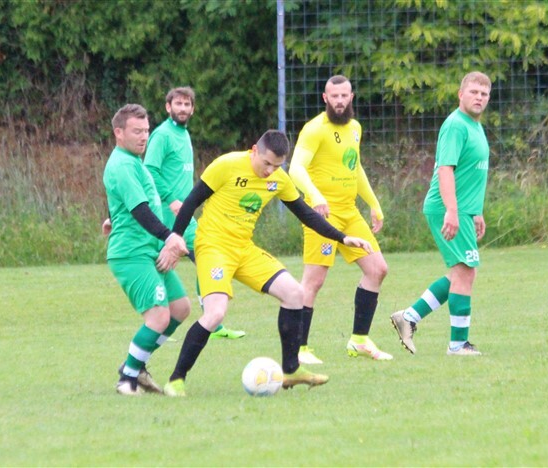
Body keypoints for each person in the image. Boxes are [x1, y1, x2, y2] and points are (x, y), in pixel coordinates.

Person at [161, 130, 374, 397]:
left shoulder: (278, 178)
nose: (270, 171)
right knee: (215, 313)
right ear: (254, 150)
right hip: (213, 247)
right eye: (267, 163)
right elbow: (192, 201)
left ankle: (291, 370)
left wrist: (343, 237)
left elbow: (306, 214)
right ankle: (176, 380)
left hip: (244, 249)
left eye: (277, 166)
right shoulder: (226, 165)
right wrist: (176, 237)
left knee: (295, 293)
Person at [288, 75, 392, 364]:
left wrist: (374, 204)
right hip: (321, 215)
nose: (339, 101)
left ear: (351, 97)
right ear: (325, 98)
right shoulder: (314, 129)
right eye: (334, 96)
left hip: (350, 212)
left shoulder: (355, 128)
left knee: (377, 269)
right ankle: (299, 349)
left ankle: (359, 340)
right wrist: (315, 195)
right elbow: (296, 168)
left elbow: (354, 168)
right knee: (314, 280)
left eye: (344, 96)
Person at [390, 71, 492, 356]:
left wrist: (476, 212)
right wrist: (452, 210)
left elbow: (471, 174)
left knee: (460, 273)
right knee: (465, 272)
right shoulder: (456, 125)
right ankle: (457, 345)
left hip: (463, 210)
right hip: (445, 208)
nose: (479, 98)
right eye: (473, 92)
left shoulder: (474, 126)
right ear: (460, 94)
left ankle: (409, 317)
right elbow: (445, 169)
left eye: (484, 94)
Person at [101, 103, 192, 395]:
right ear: (119, 132)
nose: (144, 137)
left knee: (180, 309)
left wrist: (112, 217)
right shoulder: (122, 164)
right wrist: (169, 236)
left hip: (148, 250)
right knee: (158, 317)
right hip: (132, 254)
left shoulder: (134, 161)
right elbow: (140, 209)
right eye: (136, 131)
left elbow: (131, 202)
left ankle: (137, 365)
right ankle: (127, 379)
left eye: (146, 131)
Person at [144, 86, 246, 340]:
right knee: (160, 265)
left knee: (206, 255)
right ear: (168, 107)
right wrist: (171, 200)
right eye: (178, 104)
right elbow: (150, 170)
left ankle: (211, 322)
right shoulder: (162, 135)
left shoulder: (183, 133)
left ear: (193, 109)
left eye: (187, 104)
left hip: (185, 217)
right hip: (167, 216)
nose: (183, 108)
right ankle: (160, 323)